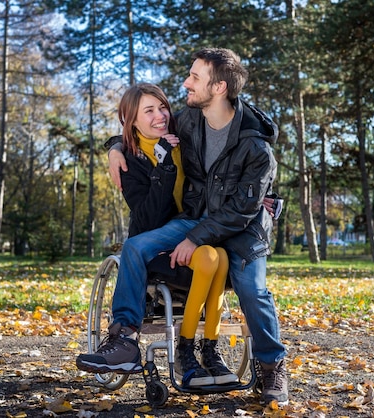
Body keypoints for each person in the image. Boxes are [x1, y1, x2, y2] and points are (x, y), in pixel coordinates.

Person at [79, 47, 289, 406]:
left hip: (243, 229)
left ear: (219, 87)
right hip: (194, 218)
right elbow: (142, 124)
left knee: (253, 291)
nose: (185, 83)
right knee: (135, 246)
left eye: (194, 77)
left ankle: (272, 366)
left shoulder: (255, 148)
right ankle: (125, 338)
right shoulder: (189, 121)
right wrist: (116, 146)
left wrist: (195, 237)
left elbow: (242, 211)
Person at [76, 83, 237, 387]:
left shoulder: (184, 134)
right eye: (148, 111)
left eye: (162, 107)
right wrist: (159, 164)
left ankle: (198, 351)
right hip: (161, 231)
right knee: (135, 247)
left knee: (139, 248)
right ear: (131, 121)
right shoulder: (130, 161)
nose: (160, 116)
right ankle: (124, 338)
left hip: (198, 222)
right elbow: (147, 217)